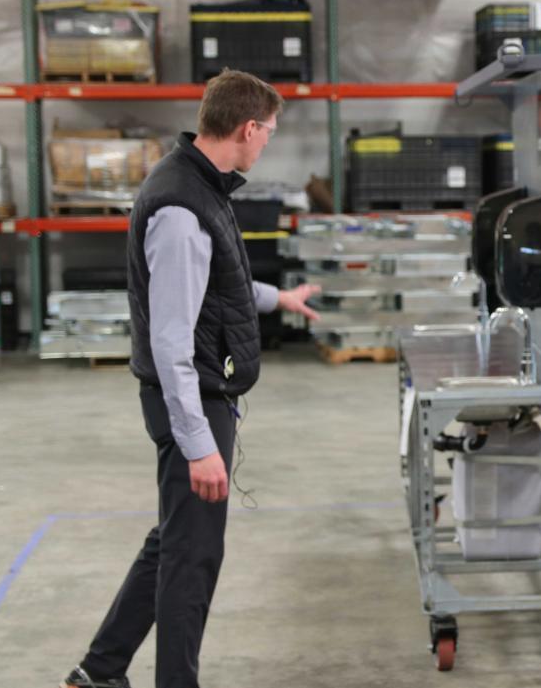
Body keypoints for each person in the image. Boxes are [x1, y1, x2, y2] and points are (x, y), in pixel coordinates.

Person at [62, 69, 321, 688]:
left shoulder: (202, 187)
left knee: (173, 540)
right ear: (247, 127)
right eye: (269, 133)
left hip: (203, 394)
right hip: (194, 402)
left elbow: (216, 282)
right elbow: (172, 338)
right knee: (192, 556)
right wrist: (199, 443)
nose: (267, 145)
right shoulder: (179, 207)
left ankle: (99, 672)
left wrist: (276, 299)